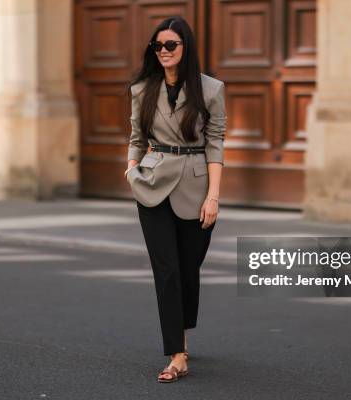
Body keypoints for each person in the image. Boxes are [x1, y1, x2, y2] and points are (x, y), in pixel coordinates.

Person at [124, 16, 226, 383]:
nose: (163, 51)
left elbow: (215, 143)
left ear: (186, 48)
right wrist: (132, 169)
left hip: (196, 186)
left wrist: (213, 196)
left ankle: (181, 331)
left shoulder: (210, 89)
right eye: (158, 46)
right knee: (166, 271)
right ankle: (177, 354)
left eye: (171, 45)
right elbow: (136, 136)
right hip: (152, 185)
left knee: (187, 268)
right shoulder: (142, 89)